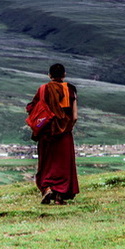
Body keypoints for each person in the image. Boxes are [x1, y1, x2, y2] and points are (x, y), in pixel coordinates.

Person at [27, 63, 79, 204]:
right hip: (65, 134)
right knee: (63, 165)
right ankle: (59, 196)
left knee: (46, 163)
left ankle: (47, 189)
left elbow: (33, 109)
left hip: (47, 133)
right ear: (64, 75)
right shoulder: (70, 90)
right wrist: (67, 128)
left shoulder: (43, 89)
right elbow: (74, 116)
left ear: (49, 75)